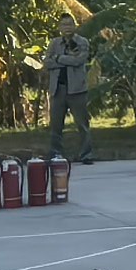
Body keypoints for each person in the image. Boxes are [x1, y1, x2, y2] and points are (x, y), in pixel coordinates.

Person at [43, 22, 96, 166]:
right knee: (56, 125)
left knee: (82, 124)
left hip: (77, 89)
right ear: (59, 28)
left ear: (74, 26)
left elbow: (79, 60)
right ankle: (55, 153)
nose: (67, 27)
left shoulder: (82, 42)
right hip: (58, 88)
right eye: (64, 25)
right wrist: (67, 60)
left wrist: (58, 58)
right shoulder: (54, 43)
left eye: (69, 24)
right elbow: (47, 62)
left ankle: (86, 154)